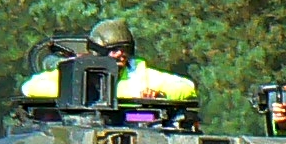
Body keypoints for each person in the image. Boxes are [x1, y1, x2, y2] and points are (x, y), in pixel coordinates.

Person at [21, 19, 198, 101]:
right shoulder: (74, 71)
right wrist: (73, 91)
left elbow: (187, 87)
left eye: (125, 49)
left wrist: (161, 95)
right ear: (98, 51)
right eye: (113, 50)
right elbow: (30, 88)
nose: (120, 54)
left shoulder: (138, 74)